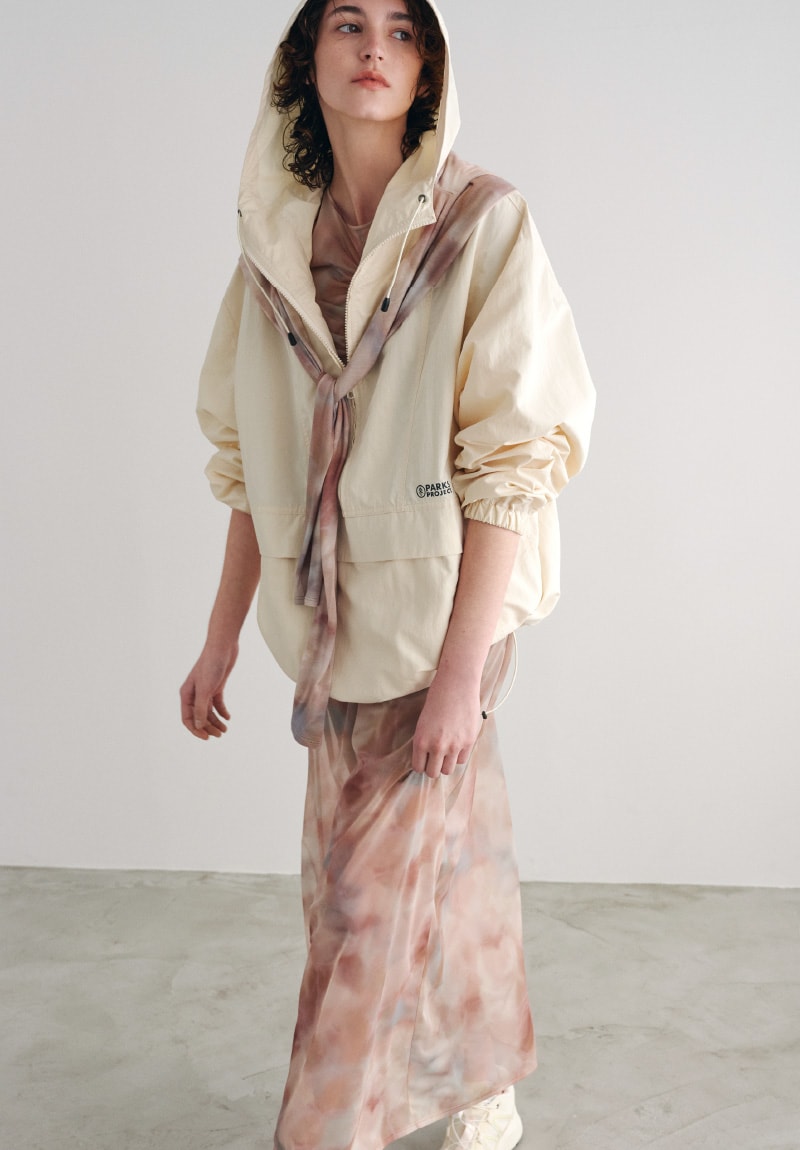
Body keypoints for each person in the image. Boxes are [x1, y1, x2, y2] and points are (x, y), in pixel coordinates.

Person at [180, 2, 595, 1149]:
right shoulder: (273, 252)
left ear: (428, 69)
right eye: (348, 24)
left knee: (361, 916)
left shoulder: (483, 227)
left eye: (403, 31)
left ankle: (324, 1132)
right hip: (331, 635)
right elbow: (252, 461)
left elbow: (512, 464)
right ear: (303, 58)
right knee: (406, 879)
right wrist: (220, 637)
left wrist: (461, 676)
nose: (375, 47)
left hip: (445, 626)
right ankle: (480, 1082)